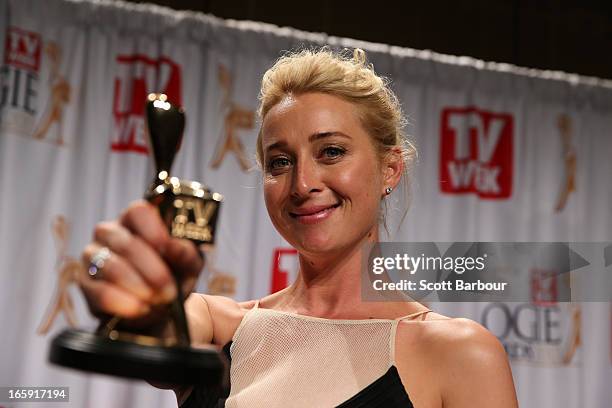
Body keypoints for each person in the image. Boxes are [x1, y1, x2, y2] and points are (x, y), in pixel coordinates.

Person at [79, 48, 518, 407]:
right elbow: (158, 336)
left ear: (390, 169)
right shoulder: (218, 326)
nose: (303, 184)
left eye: (330, 152)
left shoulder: (460, 354)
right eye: (281, 162)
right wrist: (139, 301)